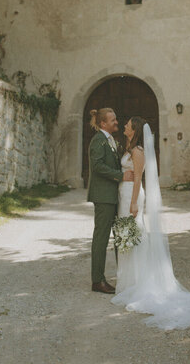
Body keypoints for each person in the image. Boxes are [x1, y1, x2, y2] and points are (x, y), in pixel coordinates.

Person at [111, 117, 190, 330]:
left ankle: (137, 281)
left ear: (135, 130)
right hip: (124, 192)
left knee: (135, 234)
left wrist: (133, 203)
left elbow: (139, 178)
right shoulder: (129, 148)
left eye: (128, 124)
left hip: (132, 195)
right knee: (126, 236)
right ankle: (128, 280)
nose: (124, 126)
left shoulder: (138, 151)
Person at [87, 108, 134, 294]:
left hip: (113, 196)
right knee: (101, 238)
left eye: (116, 119)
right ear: (103, 123)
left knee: (119, 237)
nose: (116, 122)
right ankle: (97, 281)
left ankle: (124, 276)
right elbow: (97, 166)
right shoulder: (98, 141)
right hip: (103, 196)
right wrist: (121, 175)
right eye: (113, 120)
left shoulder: (111, 140)